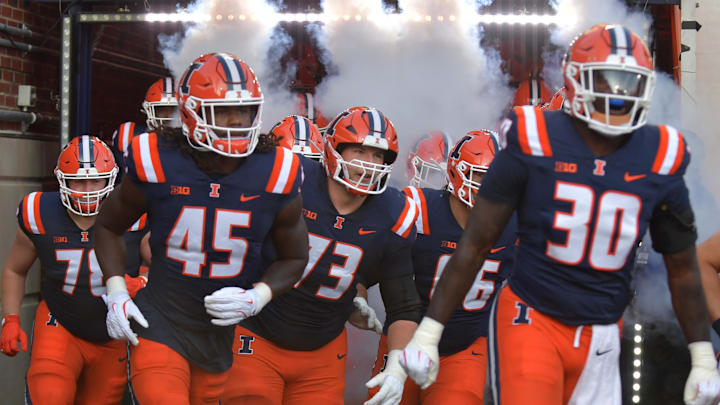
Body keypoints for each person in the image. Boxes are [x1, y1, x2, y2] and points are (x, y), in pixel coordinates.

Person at [400, 24, 720, 405]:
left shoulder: (660, 153)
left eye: (628, 83)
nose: (616, 96)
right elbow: (475, 244)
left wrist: (703, 356)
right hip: (531, 316)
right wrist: (429, 332)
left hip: (602, 327)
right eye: (605, 80)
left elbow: (683, 266)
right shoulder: (533, 136)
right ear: (575, 80)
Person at [93, 52, 309, 405]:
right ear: (191, 111)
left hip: (218, 335)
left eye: (244, 111)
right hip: (161, 321)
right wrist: (116, 290)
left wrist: (259, 296)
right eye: (222, 111)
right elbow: (107, 226)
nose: (235, 121)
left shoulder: (277, 171)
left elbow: (296, 256)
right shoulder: (156, 157)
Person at [221, 107, 423, 405]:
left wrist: (395, 366)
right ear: (332, 150)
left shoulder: (394, 213)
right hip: (259, 335)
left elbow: (403, 305)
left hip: (322, 351)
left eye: (378, 156)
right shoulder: (291, 177)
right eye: (359, 151)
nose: (369, 164)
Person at [369, 131, 516, 404]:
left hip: (465, 346)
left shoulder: (514, 224)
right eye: (483, 177)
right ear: (458, 173)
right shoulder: (416, 206)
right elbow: (365, 252)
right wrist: (359, 292)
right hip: (405, 337)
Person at [0, 135, 130, 404]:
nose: (87, 189)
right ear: (62, 181)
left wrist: (140, 282)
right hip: (59, 320)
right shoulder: (39, 211)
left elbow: (161, 265)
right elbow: (15, 269)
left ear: (111, 180)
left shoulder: (134, 213)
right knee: (48, 393)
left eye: (95, 180)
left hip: (113, 331)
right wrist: (10, 319)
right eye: (78, 181)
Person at [112, 76, 178, 183]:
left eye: (174, 109)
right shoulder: (130, 135)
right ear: (149, 110)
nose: (168, 116)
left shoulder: (194, 144)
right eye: (162, 109)